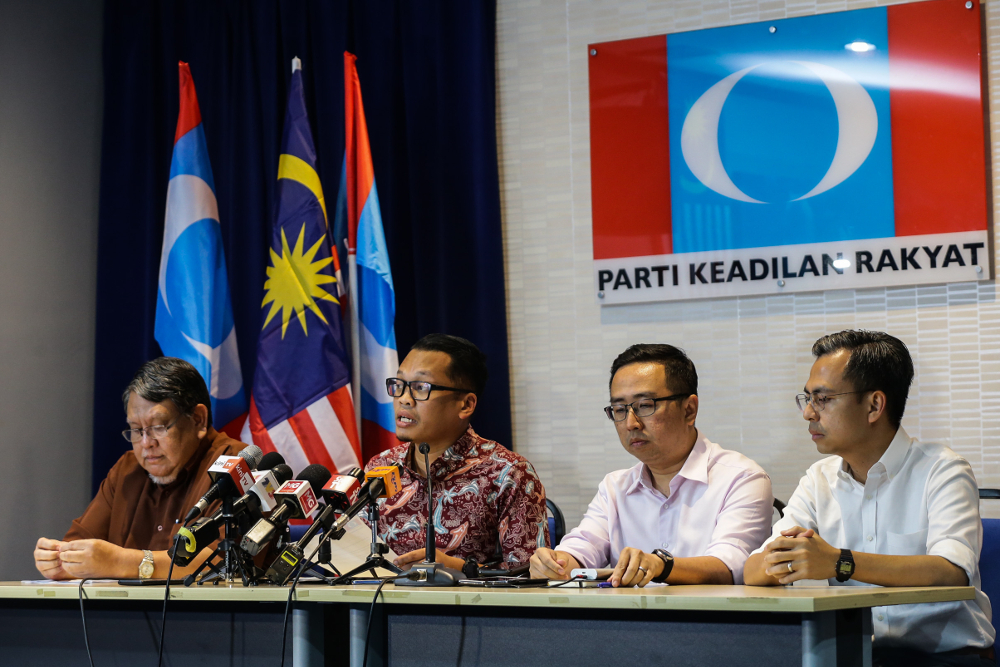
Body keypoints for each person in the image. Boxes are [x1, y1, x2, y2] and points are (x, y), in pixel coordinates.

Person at [744, 330, 995, 666]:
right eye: (807, 399)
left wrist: (838, 562)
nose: (808, 414)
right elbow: (753, 571)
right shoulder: (818, 478)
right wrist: (781, 560)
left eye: (823, 399)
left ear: (874, 405)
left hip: (944, 658)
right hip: (851, 656)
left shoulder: (943, 469)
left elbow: (951, 571)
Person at [530, 343, 773, 587]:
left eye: (645, 405)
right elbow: (580, 550)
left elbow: (732, 566)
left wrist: (661, 565)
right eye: (619, 409)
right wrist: (554, 563)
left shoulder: (742, 478)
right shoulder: (615, 487)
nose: (630, 423)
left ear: (689, 410)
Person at [33, 357, 244, 580]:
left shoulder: (237, 466)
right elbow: (77, 545)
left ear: (198, 420)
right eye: (136, 430)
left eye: (158, 427)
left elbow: (227, 562)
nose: (146, 443)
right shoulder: (127, 469)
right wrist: (59, 560)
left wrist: (122, 562)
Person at [364, 333, 548, 573]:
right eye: (399, 385)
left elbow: (532, 576)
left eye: (421, 387)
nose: (404, 399)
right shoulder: (381, 466)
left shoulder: (508, 473)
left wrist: (460, 569)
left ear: (466, 404)